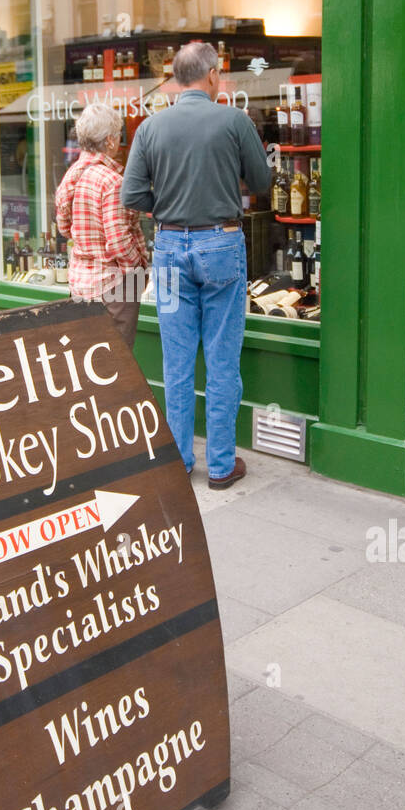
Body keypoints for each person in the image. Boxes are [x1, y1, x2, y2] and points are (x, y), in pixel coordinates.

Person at [121, 40, 270, 488]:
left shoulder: (150, 127)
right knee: (223, 362)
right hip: (221, 244)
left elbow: (131, 196)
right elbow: (262, 181)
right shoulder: (234, 120)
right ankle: (221, 465)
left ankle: (180, 460)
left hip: (166, 250)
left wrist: (165, 204)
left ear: (174, 79)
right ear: (210, 76)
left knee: (176, 363)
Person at [55, 101, 149, 348]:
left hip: (80, 284)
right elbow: (118, 241)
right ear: (109, 141)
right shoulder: (112, 181)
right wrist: (137, 268)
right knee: (117, 363)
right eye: (118, 135)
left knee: (90, 363)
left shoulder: (72, 175)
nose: (119, 141)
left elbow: (64, 228)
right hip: (113, 286)